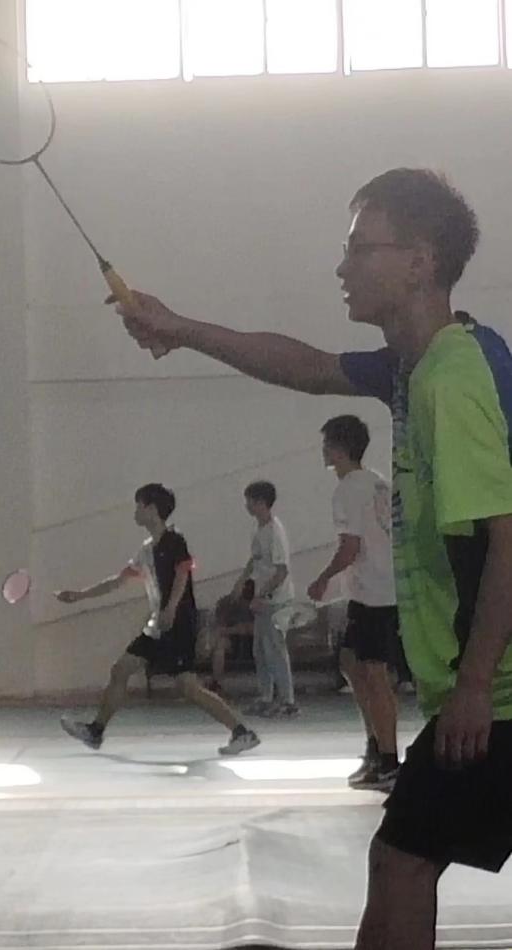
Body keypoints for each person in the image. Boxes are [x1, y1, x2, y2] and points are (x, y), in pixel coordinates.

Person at [115, 168, 512, 950]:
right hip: (483, 689)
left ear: (419, 262)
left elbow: (508, 537)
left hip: (498, 695)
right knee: (399, 861)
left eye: (360, 249)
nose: (341, 267)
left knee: (401, 862)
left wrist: (473, 686)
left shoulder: (451, 379)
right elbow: (302, 366)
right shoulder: (417, 365)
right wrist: (179, 327)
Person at [55, 483, 261, 757]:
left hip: (177, 624)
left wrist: (171, 609)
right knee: (121, 670)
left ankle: (242, 732)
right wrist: (79, 596)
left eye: (138, 506)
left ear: (151, 509)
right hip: (156, 626)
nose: (135, 511)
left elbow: (182, 574)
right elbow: (118, 581)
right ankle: (96, 731)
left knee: (188, 687)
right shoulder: (146, 550)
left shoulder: (175, 540)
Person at [310, 414, 400, 791]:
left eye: (326, 443)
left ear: (339, 449)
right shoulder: (377, 481)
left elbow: (350, 547)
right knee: (350, 663)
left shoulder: (347, 489)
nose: (323, 450)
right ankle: (375, 746)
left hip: (376, 594)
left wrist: (323, 578)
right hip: (374, 591)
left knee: (375, 675)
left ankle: (389, 760)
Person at [234, 481, 298, 718]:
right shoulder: (258, 529)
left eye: (249, 501)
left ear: (261, 502)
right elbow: (255, 559)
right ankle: (266, 696)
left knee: (275, 650)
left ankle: (288, 700)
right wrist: (242, 581)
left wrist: (263, 595)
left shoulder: (275, 531)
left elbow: (281, 571)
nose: (247, 505)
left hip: (276, 601)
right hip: (262, 601)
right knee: (260, 651)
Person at [206, 584, 254, 695]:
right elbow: (219, 627)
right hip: (234, 641)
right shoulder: (227, 605)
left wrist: (235, 629)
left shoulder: (258, 606)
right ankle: (216, 681)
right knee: (220, 644)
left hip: (253, 641)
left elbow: (253, 628)